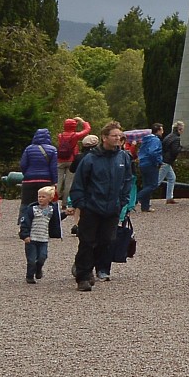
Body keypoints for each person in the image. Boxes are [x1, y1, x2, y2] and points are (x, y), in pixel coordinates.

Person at [65, 122, 136, 292]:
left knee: (107, 241)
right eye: (114, 135)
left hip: (113, 207)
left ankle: (89, 266)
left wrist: (123, 201)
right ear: (104, 137)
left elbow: (128, 180)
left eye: (120, 136)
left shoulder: (123, 157)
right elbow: (79, 183)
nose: (118, 138)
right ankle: (83, 276)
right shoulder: (90, 158)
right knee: (87, 241)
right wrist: (81, 204)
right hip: (91, 207)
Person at [17, 184, 63, 284]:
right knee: (31, 259)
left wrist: (66, 214)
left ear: (50, 198)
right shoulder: (32, 209)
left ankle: (38, 269)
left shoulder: (52, 210)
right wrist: (25, 235)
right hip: (32, 239)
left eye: (43, 197)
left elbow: (57, 219)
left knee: (42, 257)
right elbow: (25, 222)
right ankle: (29, 276)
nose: (40, 199)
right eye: (39, 196)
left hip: (43, 238)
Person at [17, 128, 60, 199]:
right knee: (44, 202)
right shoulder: (53, 149)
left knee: (26, 202)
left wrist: (27, 174)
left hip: (29, 180)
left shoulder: (28, 149)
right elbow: (53, 168)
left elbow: (23, 165)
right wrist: (55, 181)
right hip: (45, 180)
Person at [54, 117, 87, 201]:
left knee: (58, 182)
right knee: (68, 183)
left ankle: (54, 201)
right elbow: (87, 129)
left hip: (60, 159)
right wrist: (82, 121)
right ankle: (64, 203)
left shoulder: (60, 136)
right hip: (71, 159)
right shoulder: (75, 135)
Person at [133, 125, 164, 213]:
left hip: (143, 163)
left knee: (146, 185)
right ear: (158, 131)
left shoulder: (146, 139)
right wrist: (158, 161)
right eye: (162, 130)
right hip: (150, 164)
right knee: (153, 185)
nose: (162, 132)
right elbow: (152, 152)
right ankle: (135, 199)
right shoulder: (155, 140)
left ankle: (145, 206)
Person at [160, 122, 185, 204]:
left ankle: (169, 197)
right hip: (167, 161)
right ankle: (144, 196)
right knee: (158, 181)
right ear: (179, 129)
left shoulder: (169, 136)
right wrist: (180, 148)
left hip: (164, 159)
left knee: (172, 178)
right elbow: (175, 151)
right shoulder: (176, 138)